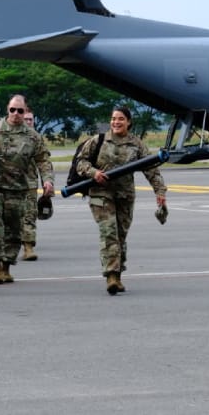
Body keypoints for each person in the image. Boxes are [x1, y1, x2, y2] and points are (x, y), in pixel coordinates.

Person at [74, 105, 167, 295]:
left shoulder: (137, 144)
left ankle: (118, 273)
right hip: (101, 194)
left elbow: (151, 169)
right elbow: (80, 162)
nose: (116, 122)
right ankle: (111, 276)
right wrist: (94, 172)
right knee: (109, 233)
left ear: (129, 122)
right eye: (114, 118)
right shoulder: (98, 140)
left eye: (121, 119)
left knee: (120, 236)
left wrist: (160, 191)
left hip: (124, 196)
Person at [0, 95, 54, 284]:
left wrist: (48, 181)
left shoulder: (32, 136)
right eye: (12, 109)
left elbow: (43, 160)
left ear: (25, 112)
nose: (15, 114)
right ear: (7, 109)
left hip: (18, 189)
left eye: (20, 111)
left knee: (14, 232)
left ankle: (7, 266)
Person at [20, 109, 43, 261]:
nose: (28, 122)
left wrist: (47, 181)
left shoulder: (36, 138)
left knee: (29, 215)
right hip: (7, 184)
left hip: (29, 183)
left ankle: (28, 247)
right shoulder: (3, 132)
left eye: (31, 119)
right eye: (26, 119)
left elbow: (43, 160)